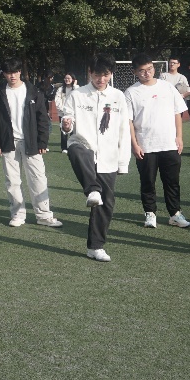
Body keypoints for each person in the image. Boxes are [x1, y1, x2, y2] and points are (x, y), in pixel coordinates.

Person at [59, 55, 131, 262]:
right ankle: (91, 189)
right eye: (97, 74)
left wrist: (122, 163)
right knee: (76, 149)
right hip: (83, 145)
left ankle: (95, 247)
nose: (101, 79)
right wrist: (66, 125)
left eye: (105, 75)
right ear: (90, 73)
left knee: (106, 203)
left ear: (111, 74)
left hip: (108, 155)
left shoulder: (118, 96)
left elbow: (123, 130)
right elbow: (67, 120)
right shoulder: (77, 94)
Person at [0, 57, 60, 228]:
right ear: (4, 74)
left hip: (32, 142)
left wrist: (43, 142)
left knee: (38, 179)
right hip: (8, 142)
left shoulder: (33, 91)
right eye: (8, 73)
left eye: (15, 72)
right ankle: (17, 214)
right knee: (12, 181)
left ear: (20, 72)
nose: (12, 76)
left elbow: (42, 118)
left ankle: (44, 215)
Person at [125, 54, 190, 229]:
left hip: (169, 143)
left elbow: (177, 113)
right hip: (146, 145)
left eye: (150, 69)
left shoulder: (167, 87)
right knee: (148, 182)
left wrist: (179, 137)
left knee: (172, 182)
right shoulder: (131, 92)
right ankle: (150, 213)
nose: (147, 73)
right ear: (135, 72)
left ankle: (175, 214)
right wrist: (134, 144)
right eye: (142, 71)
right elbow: (128, 121)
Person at [54, 73, 77, 154]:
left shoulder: (76, 89)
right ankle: (64, 147)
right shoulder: (60, 89)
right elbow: (57, 100)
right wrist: (63, 110)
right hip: (62, 113)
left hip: (73, 113)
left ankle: (72, 146)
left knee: (73, 130)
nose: (67, 80)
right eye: (65, 78)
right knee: (63, 130)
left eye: (69, 78)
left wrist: (75, 85)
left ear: (73, 79)